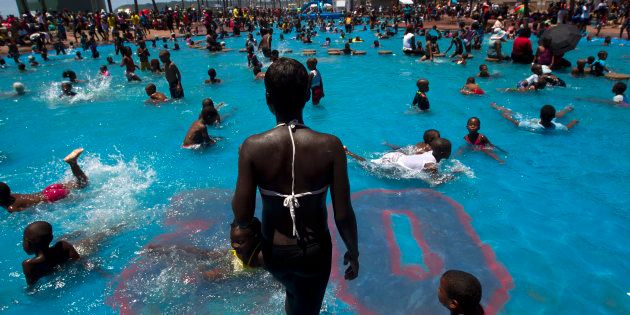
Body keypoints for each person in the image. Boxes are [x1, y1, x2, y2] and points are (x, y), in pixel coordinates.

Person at [232, 58, 359, 315]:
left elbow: (242, 215)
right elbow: (343, 213)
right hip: (314, 253)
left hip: (273, 252)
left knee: (293, 295)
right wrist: (353, 252)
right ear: (306, 95)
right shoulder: (331, 146)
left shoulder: (253, 147)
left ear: (268, 98)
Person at [0, 148, 88, 212]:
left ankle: (73, 163)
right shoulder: (12, 196)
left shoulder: (12, 208)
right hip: (48, 190)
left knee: (83, 186)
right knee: (81, 183)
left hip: (52, 196)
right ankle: (73, 163)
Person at [344, 138, 452, 178]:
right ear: (443, 153)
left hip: (397, 156)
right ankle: (348, 153)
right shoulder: (431, 166)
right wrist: (454, 174)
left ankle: (348, 152)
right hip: (394, 163)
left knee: (370, 162)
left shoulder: (429, 152)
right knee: (368, 165)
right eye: (449, 150)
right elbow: (436, 182)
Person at [22, 221, 80, 285]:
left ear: (28, 244)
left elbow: (31, 285)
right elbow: (78, 261)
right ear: (51, 238)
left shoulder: (28, 265)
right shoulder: (64, 246)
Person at [492, 102, 579, 130]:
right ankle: (568, 108)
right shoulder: (557, 126)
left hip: (534, 120)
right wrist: (573, 122)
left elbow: (516, 122)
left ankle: (496, 106)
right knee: (559, 115)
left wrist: (506, 117)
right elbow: (567, 127)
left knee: (513, 113)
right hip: (549, 121)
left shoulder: (533, 126)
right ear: (552, 118)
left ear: (540, 115)